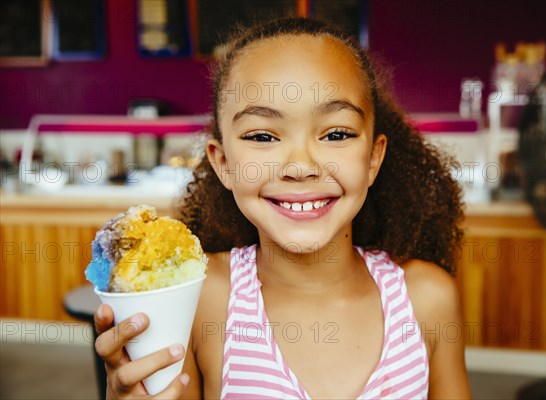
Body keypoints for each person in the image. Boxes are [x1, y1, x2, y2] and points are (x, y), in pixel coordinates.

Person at [94, 17, 471, 399]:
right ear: (223, 163)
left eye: (336, 134)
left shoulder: (426, 299)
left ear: (373, 159)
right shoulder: (201, 300)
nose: (300, 167)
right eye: (262, 136)